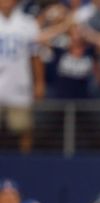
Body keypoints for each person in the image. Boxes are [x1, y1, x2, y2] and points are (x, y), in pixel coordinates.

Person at [0, 0, 44, 153]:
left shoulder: (28, 23)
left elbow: (36, 55)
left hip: (19, 84)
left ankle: (25, 162)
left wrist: (39, 83)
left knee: (24, 127)